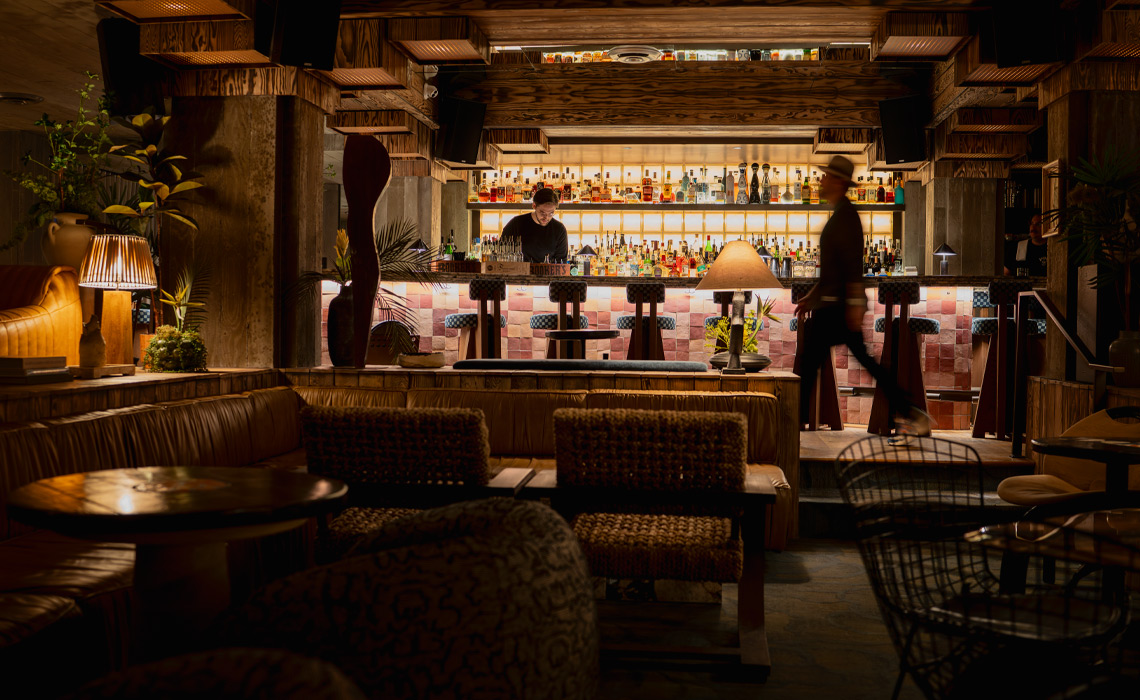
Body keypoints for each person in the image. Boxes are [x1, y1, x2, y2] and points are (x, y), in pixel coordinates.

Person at [794, 155, 931, 440]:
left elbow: (853, 267)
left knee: (808, 369)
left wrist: (855, 304)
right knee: (859, 363)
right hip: (833, 305)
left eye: (826, 176)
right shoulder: (841, 214)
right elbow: (832, 271)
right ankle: (910, 411)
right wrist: (811, 296)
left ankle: (788, 426)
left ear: (839, 182)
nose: (821, 181)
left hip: (838, 307)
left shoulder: (846, 217)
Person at [500, 187, 568, 263]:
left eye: (551, 213)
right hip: (518, 273)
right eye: (542, 213)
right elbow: (502, 252)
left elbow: (561, 263)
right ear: (534, 206)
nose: (546, 217)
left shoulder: (559, 229)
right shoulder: (516, 223)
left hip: (547, 274)